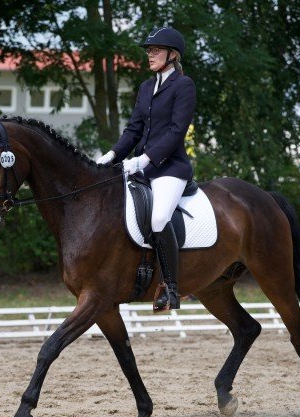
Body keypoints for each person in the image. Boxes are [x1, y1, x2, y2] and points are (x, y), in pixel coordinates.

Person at [96, 26, 196, 311]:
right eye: (149, 50)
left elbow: (176, 132)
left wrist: (145, 159)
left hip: (170, 169)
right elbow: (134, 129)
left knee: (159, 217)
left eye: (155, 50)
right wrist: (112, 155)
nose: (149, 54)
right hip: (142, 168)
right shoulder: (145, 87)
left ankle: (171, 289)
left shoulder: (184, 85)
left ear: (172, 55)